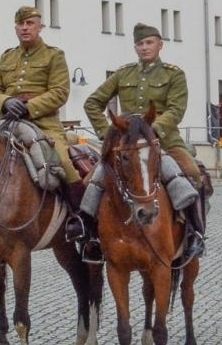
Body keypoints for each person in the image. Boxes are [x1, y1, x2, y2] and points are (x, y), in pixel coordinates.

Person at [83, 23, 207, 260]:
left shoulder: (174, 74)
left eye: (149, 43)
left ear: (160, 45)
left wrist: (153, 131)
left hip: (165, 142)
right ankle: (91, 236)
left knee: (192, 174)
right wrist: (107, 134)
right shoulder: (123, 74)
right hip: (128, 145)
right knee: (91, 181)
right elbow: (92, 103)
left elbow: (176, 109)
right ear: (135, 47)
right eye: (140, 44)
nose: (144, 48)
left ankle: (195, 234)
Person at [0, 5, 89, 242]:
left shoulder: (54, 56)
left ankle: (80, 218)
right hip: (8, 122)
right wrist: (6, 101)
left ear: (40, 27)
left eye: (30, 24)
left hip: (44, 124)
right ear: (16, 28)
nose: (25, 28)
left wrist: (29, 107)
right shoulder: (7, 57)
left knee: (62, 160)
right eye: (21, 24)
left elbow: (60, 92)